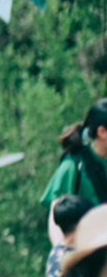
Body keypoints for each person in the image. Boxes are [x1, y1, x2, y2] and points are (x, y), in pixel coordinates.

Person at [43, 100, 107, 237]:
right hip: (88, 245)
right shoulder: (74, 165)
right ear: (102, 132)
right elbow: (56, 214)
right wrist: (61, 247)